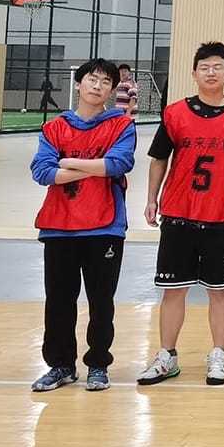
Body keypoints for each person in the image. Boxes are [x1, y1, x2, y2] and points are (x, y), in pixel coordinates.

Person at [137, 42, 224, 387]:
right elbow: (159, 158)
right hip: (179, 212)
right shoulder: (175, 113)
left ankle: (218, 354)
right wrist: (151, 198)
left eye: (217, 66)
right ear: (194, 73)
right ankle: (167, 355)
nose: (211, 72)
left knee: (220, 290)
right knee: (173, 289)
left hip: (221, 214)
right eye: (204, 67)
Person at [29, 59, 136, 392]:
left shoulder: (121, 125)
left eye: (106, 82)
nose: (97, 86)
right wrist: (94, 168)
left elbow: (119, 164)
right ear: (79, 83)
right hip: (59, 227)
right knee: (59, 301)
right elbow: (42, 171)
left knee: (101, 301)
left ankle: (98, 364)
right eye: (92, 79)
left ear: (112, 89)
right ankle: (61, 365)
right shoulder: (55, 127)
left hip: (105, 227)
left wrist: (69, 162)